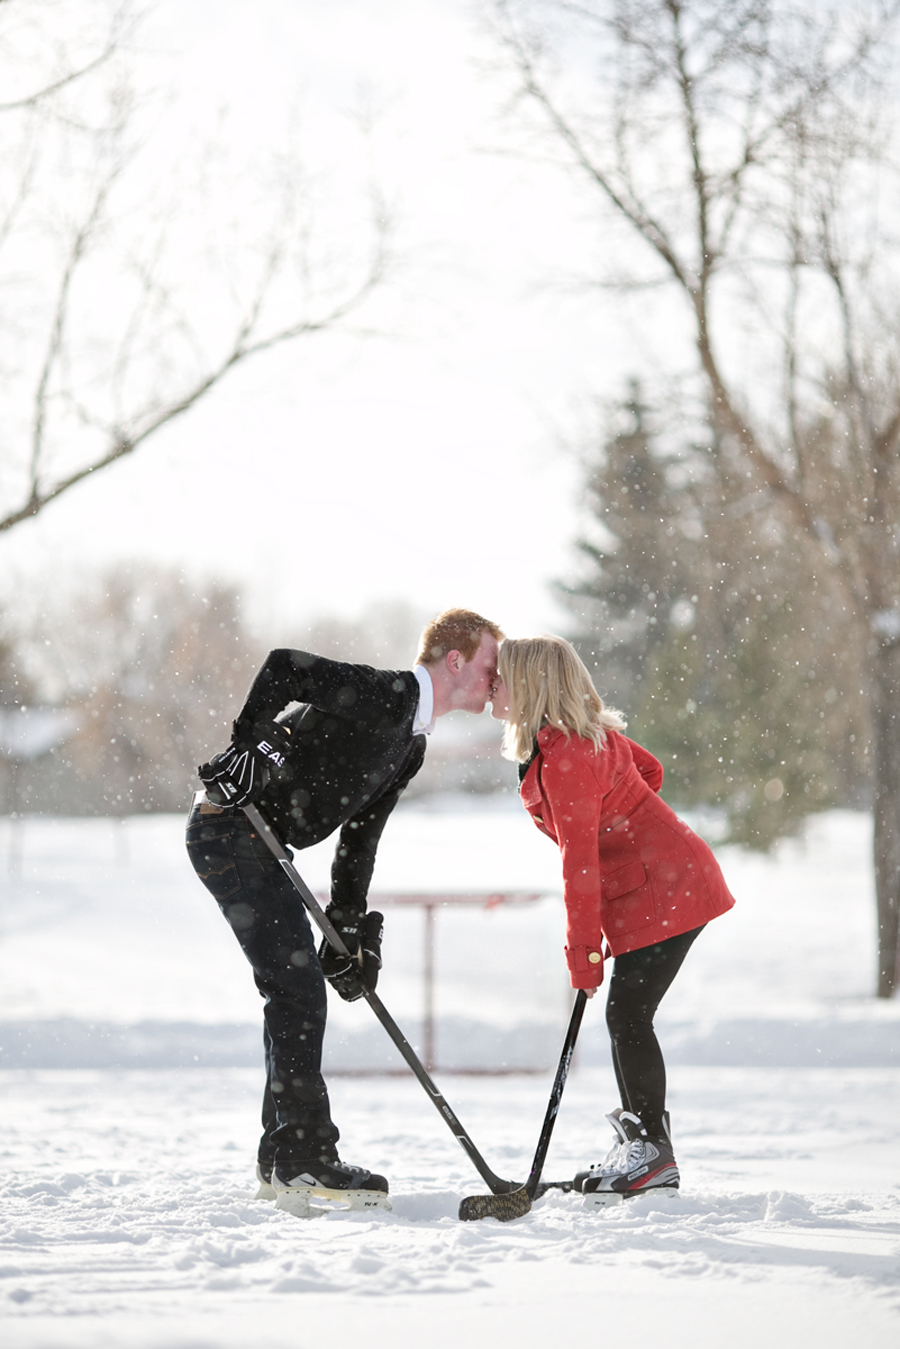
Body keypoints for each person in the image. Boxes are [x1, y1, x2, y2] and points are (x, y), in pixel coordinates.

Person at [186, 607, 503, 1211]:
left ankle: (282, 1156)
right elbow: (286, 668)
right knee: (295, 989)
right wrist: (249, 741)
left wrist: (350, 928)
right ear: (456, 660)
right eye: (491, 662)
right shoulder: (388, 693)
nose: (497, 676)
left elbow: (361, 836)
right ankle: (304, 1157)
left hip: (261, 843)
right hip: (231, 829)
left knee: (296, 986)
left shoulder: (408, 743)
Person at [490, 635, 734, 1199]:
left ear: (530, 686)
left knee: (627, 1015)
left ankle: (649, 1152)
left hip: (669, 887)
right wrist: (623, 823)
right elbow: (649, 771)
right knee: (629, 1015)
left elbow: (579, 864)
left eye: (500, 678)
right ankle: (646, 1148)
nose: (491, 687)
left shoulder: (570, 754)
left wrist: (584, 955)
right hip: (666, 878)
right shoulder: (581, 740)